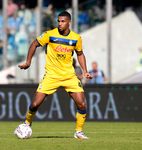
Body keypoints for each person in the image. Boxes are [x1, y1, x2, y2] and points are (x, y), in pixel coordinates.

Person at [16, 11, 93, 139]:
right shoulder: (50, 35)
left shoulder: (76, 38)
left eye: (63, 21)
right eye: (58, 21)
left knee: (82, 104)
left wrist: (85, 71)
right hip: (51, 76)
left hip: (69, 76)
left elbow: (80, 54)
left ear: (69, 22)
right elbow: (34, 44)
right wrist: (28, 62)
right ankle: (26, 124)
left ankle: (78, 132)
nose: (60, 24)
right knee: (35, 104)